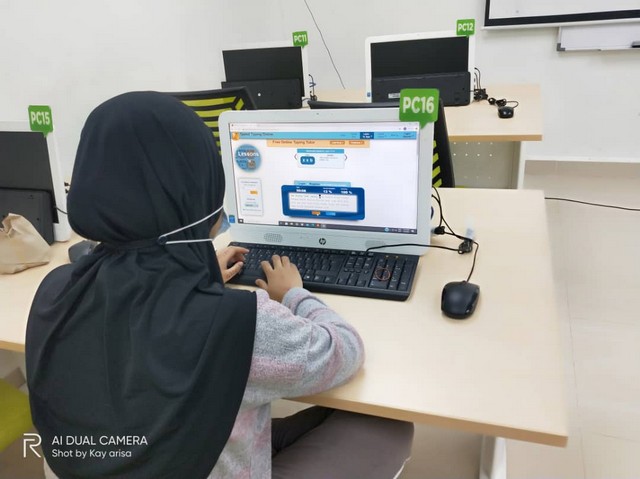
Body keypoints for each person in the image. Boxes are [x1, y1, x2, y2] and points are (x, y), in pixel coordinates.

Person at [26, 91, 413, 479]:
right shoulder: (238, 323)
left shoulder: (55, 291)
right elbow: (344, 351)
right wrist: (293, 294)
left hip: (132, 459)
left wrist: (195, 269)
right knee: (387, 423)